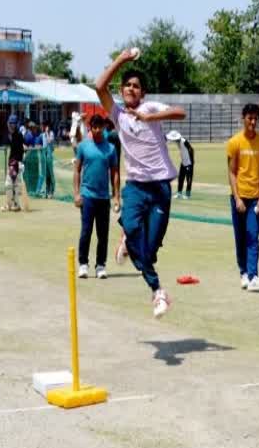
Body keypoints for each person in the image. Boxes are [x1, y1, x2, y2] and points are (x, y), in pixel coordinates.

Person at [94, 49, 186, 318]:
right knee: (136, 237)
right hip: (135, 187)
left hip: (159, 189)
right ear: (122, 91)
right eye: (127, 85)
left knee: (149, 250)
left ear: (142, 93)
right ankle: (158, 291)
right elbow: (99, 86)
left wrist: (151, 118)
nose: (131, 88)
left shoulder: (150, 107)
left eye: (136, 86)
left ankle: (128, 238)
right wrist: (122, 59)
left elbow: (180, 112)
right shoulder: (117, 115)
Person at [228, 103, 259, 292]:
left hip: (255, 197)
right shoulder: (234, 142)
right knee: (240, 237)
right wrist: (237, 198)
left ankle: (254, 276)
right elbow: (231, 173)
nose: (253, 122)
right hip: (239, 197)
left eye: (256, 118)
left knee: (253, 236)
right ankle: (244, 273)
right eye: (250, 118)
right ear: (243, 118)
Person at [74, 114, 120, 279]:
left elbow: (115, 173)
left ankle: (101, 265)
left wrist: (116, 197)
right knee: (86, 231)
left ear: (104, 127)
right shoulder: (83, 147)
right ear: (90, 128)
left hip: (103, 198)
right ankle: (83, 264)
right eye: (95, 126)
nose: (98, 129)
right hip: (87, 196)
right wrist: (77, 194)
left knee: (103, 233)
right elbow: (77, 170)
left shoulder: (111, 149)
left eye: (101, 126)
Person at [2, 114, 28, 212]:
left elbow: (22, 148)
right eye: (10, 123)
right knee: (11, 185)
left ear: (16, 124)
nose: (11, 125)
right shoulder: (9, 135)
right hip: (12, 163)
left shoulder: (18, 135)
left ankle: (14, 205)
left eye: (13, 123)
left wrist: (20, 162)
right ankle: (11, 204)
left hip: (16, 163)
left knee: (13, 184)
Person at [167, 131, 195, 199]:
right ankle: (179, 193)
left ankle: (188, 194)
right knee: (181, 178)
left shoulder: (184, 141)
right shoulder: (178, 142)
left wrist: (191, 161)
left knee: (189, 179)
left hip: (189, 163)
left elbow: (191, 149)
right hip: (183, 162)